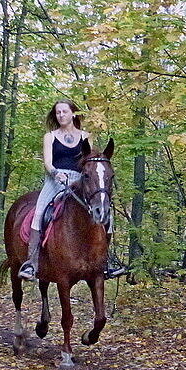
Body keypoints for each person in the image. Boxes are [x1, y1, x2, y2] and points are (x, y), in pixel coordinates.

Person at [18, 100, 127, 280]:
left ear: (73, 114)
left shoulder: (86, 136)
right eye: (58, 112)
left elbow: (89, 160)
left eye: (64, 112)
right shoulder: (50, 137)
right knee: (39, 213)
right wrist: (56, 174)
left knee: (106, 215)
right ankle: (32, 263)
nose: (61, 115)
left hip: (81, 180)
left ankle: (106, 262)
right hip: (56, 179)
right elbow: (47, 162)